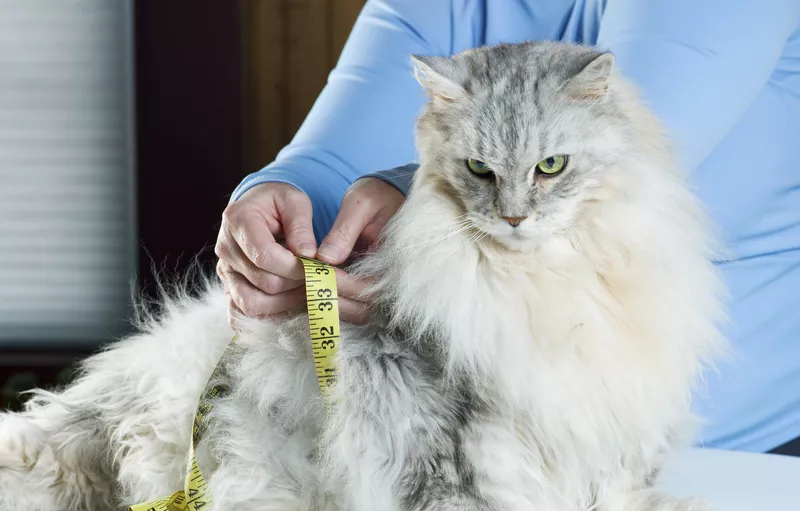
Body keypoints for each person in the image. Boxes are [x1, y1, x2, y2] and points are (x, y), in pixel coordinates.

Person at [214, 0, 800, 455]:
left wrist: (427, 185)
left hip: (736, 459)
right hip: (491, 443)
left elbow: (633, 144)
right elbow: (331, 163)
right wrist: (272, 200)